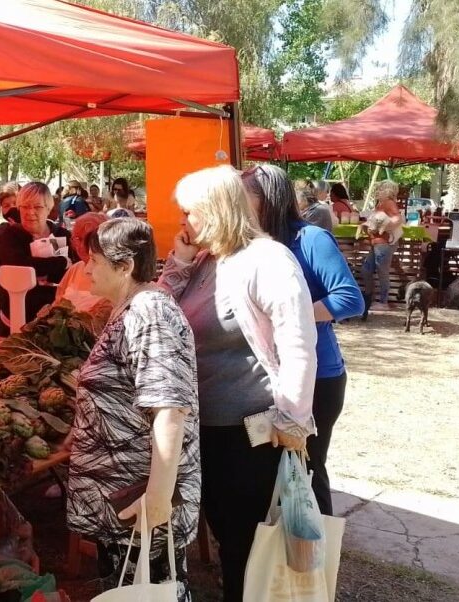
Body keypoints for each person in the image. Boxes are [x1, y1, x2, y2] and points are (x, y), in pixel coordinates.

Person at [158, 165, 317, 602]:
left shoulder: (268, 260)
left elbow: (299, 343)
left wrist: (293, 419)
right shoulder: (209, 258)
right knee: (229, 535)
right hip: (204, 426)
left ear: (215, 210)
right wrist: (179, 262)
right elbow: (158, 313)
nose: (183, 222)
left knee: (247, 544)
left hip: (251, 434)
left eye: (189, 212)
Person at [67, 219, 199, 601]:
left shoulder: (149, 314)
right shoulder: (133, 307)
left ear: (124, 266)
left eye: (94, 261)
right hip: (124, 501)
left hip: (139, 502)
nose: (87, 268)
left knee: (147, 592)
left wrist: (157, 498)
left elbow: (171, 408)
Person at [242, 165, 364, 515]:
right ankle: (278, 557)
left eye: (243, 195)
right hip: (268, 377)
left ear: (267, 199)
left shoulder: (310, 239)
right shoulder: (248, 244)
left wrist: (289, 314)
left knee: (307, 470)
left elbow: (349, 298)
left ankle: (316, 560)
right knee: (272, 472)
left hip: (318, 377)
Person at [0, 182, 74, 336]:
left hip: (52, 324)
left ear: (48, 208)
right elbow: (20, 266)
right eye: (25, 207)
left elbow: (69, 275)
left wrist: (44, 267)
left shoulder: (61, 235)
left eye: (37, 207)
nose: (30, 212)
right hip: (15, 320)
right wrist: (61, 262)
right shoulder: (11, 235)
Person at [361, 180, 403, 312]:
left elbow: (397, 219)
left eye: (380, 189)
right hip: (378, 243)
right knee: (367, 270)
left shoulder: (388, 203)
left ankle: (382, 301)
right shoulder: (381, 204)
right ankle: (370, 298)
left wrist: (382, 227)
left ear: (388, 191)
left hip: (383, 244)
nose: (377, 192)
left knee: (380, 271)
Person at [56, 213, 109, 311]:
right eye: (77, 239)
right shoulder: (75, 269)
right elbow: (56, 304)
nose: (82, 246)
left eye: (89, 240)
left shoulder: (114, 275)